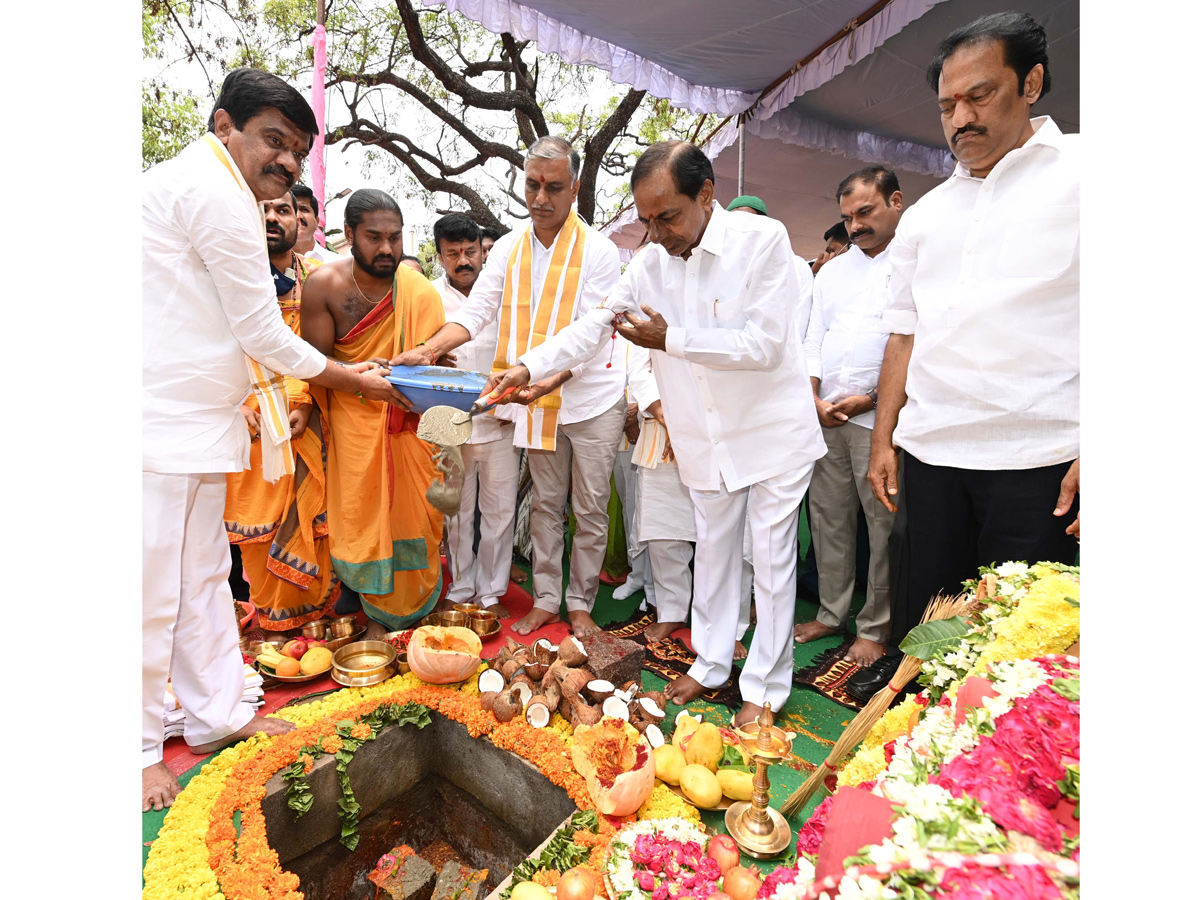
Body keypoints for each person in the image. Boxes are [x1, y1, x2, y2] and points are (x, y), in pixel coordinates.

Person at [485, 141, 826, 726]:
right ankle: (712, 663)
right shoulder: (648, 264)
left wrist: (671, 339)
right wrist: (531, 367)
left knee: (769, 560)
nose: (657, 232)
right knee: (715, 551)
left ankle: (765, 689)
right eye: (646, 219)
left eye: (667, 216)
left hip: (770, 433)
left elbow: (766, 346)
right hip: (704, 437)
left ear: (707, 196)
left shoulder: (763, 244)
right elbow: (597, 323)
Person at [142, 68, 406, 812]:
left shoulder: (210, 187)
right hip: (153, 429)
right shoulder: (213, 193)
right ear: (224, 126)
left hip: (190, 424)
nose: (285, 164)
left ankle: (217, 714)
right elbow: (261, 330)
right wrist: (357, 380)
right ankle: (132, 750)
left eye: (296, 153)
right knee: (146, 592)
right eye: (273, 142)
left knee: (197, 583)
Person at [850, 11, 1080, 702]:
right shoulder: (924, 215)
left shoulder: (1091, 175)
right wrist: (885, 437)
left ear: (1031, 82)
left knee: (1015, 658)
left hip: (1038, 463)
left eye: (980, 96)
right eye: (949, 104)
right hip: (932, 457)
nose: (961, 118)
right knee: (923, 636)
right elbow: (904, 334)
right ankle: (906, 754)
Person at [393, 137, 626, 638]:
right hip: (532, 399)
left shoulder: (602, 252)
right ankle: (546, 597)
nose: (540, 198)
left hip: (589, 399)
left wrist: (535, 373)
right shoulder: (507, 248)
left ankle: (581, 601)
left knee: (586, 508)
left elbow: (591, 333)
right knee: (544, 503)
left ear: (575, 189)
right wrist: (429, 350)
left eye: (554, 187)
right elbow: (478, 311)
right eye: (532, 184)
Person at [300, 189, 449, 639]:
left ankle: (410, 612)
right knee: (359, 513)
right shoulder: (323, 286)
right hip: (354, 425)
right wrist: (366, 379)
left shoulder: (419, 292)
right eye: (374, 237)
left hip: (412, 430)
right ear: (348, 234)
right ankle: (367, 603)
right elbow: (312, 367)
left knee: (417, 514)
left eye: (396, 237)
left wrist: (429, 372)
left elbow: (435, 370)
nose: (387, 248)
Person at [796, 165, 904, 668]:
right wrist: (814, 397)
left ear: (896, 202)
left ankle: (876, 626)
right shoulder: (833, 271)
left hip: (881, 421)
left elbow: (914, 345)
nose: (856, 226)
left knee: (882, 527)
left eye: (865, 212)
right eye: (848, 217)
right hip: (827, 418)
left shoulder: (914, 262)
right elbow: (813, 338)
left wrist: (872, 400)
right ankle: (832, 612)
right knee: (829, 521)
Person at [223, 190, 341, 631]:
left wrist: (306, 402)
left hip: (308, 420)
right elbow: (209, 351)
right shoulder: (227, 280)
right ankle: (273, 626)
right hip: (250, 426)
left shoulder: (320, 278)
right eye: (263, 210)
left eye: (284, 210)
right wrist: (233, 404)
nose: (273, 217)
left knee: (316, 524)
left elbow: (326, 351)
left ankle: (317, 625)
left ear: (301, 220)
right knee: (261, 531)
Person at [431, 212, 521, 618]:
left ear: (482, 253)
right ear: (440, 256)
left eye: (470, 251)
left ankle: (490, 592)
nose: (463, 261)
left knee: (500, 512)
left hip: (500, 420)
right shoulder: (429, 298)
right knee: (457, 513)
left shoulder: (505, 296)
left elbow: (522, 354)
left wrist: (515, 405)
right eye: (453, 253)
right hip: (449, 426)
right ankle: (461, 585)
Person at [291, 183, 341, 263]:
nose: (297, 216)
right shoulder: (266, 264)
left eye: (304, 209)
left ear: (317, 222)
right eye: (291, 210)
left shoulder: (337, 263)